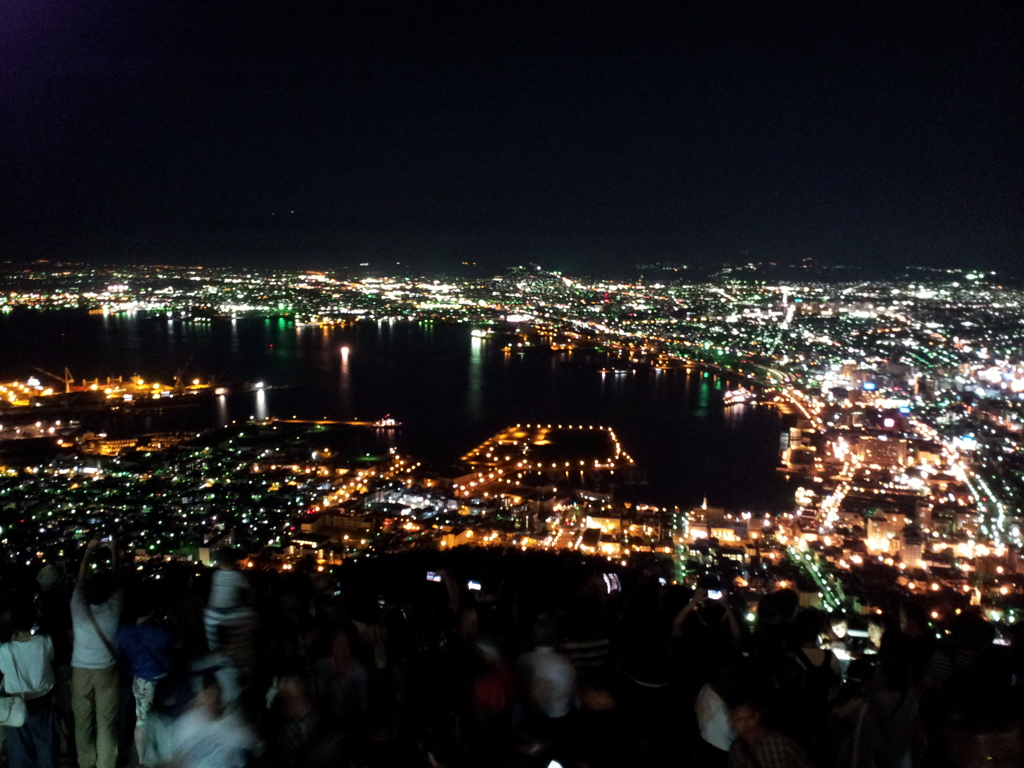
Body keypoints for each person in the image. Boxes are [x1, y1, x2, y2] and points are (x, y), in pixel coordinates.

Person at [70, 538, 123, 768]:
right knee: (106, 722)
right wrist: (114, 551)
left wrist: (88, 553)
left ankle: (85, 762)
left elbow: (80, 582)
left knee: (82, 721)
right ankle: (105, 763)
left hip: (80, 669)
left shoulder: (78, 607)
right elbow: (118, 577)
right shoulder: (114, 607)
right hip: (106, 670)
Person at [117, 592, 174, 767]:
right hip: (161, 680)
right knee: (164, 719)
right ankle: (166, 756)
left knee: (141, 720)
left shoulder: (125, 630)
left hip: (140, 680)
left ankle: (141, 760)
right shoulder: (156, 629)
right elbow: (177, 643)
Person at [0, 599, 59, 768]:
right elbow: (51, 659)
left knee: (19, 751)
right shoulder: (45, 642)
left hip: (15, 705)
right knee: (46, 747)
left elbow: (3, 670)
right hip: (43, 703)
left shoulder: (5, 649)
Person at [724, 672, 814, 768]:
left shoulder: (779, 742)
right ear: (732, 721)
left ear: (757, 716)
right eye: (739, 719)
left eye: (749, 717)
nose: (745, 723)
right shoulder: (737, 751)